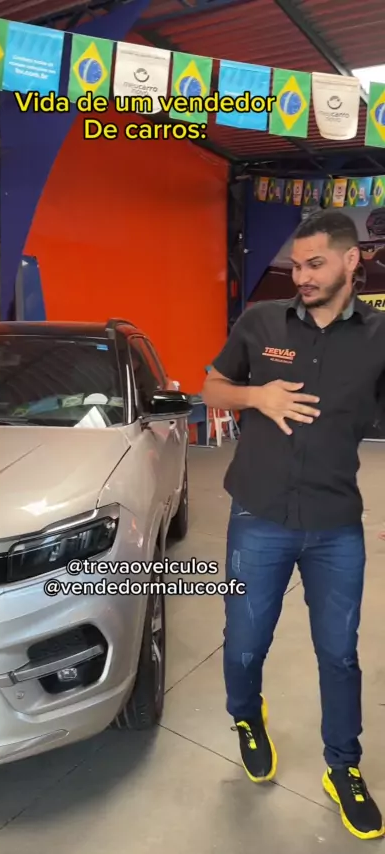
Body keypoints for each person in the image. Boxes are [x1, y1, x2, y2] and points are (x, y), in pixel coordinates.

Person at [201, 210, 385, 841]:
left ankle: (344, 767)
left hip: (336, 523)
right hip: (259, 515)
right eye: (296, 265)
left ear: (351, 261)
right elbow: (211, 387)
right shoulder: (260, 322)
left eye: (315, 264)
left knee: (339, 653)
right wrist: (258, 396)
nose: (302, 276)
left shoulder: (378, 337)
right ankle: (247, 716)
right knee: (244, 642)